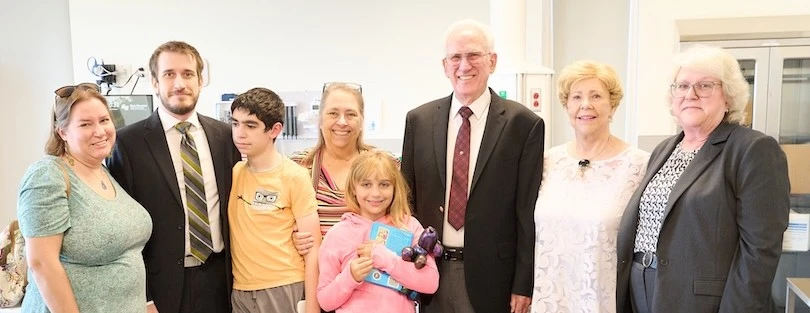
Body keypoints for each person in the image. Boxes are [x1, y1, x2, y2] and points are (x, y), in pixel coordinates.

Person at [615, 45, 790, 313]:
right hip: (643, 288)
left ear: (728, 97)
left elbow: (760, 251)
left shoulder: (752, 149)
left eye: (705, 85)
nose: (691, 94)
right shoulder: (665, 149)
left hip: (704, 300)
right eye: (682, 86)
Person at [401, 19, 544, 313]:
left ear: (492, 61)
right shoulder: (419, 121)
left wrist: (523, 282)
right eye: (455, 57)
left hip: (495, 279)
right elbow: (407, 202)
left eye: (473, 55)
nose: (464, 65)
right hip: (429, 273)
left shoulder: (524, 125)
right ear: (445, 65)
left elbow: (527, 212)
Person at [108, 41, 242, 313]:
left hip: (221, 281)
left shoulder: (226, 137)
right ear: (155, 82)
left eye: (188, 74)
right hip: (160, 287)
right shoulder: (127, 143)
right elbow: (121, 226)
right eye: (169, 74)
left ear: (201, 80)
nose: (180, 83)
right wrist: (144, 297)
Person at [18, 83, 152, 312]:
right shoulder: (48, 175)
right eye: (85, 124)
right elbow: (42, 264)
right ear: (62, 132)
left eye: (104, 120)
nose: (100, 131)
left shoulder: (104, 171)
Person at [530, 61, 649, 313]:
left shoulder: (639, 165)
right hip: (549, 299)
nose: (586, 104)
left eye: (596, 96)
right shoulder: (547, 162)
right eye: (576, 97)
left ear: (612, 105)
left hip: (604, 300)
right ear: (567, 106)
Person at [228, 87, 321, 313]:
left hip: (283, 285)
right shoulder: (233, 172)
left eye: (250, 126)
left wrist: (312, 306)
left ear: (274, 130)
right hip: (241, 289)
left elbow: (313, 247)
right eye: (235, 123)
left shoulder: (294, 176)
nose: (240, 133)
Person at [317, 150, 439, 313]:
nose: (375, 193)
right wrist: (350, 277)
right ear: (354, 188)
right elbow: (325, 300)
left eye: (384, 184)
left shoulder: (409, 226)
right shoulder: (338, 234)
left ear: (395, 188)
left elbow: (430, 282)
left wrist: (383, 258)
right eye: (366, 184)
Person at [288, 82, 374, 239]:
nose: (342, 122)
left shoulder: (385, 166)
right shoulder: (296, 166)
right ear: (320, 120)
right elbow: (279, 225)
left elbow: (400, 224)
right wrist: (292, 238)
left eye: (351, 114)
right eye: (333, 113)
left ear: (361, 121)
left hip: (370, 262)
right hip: (314, 262)